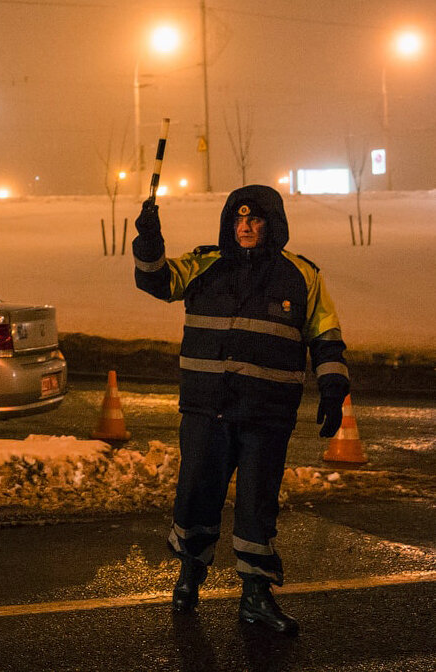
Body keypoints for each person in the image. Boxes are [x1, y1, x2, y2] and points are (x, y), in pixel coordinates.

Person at [132, 184, 349, 636]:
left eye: (255, 219)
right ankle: (189, 577)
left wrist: (333, 388)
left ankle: (255, 596)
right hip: (205, 410)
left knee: (257, 505)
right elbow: (156, 279)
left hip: (266, 416)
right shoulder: (204, 266)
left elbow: (326, 336)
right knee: (195, 495)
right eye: (238, 219)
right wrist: (149, 239)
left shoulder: (302, 276)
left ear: (273, 224)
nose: (246, 227)